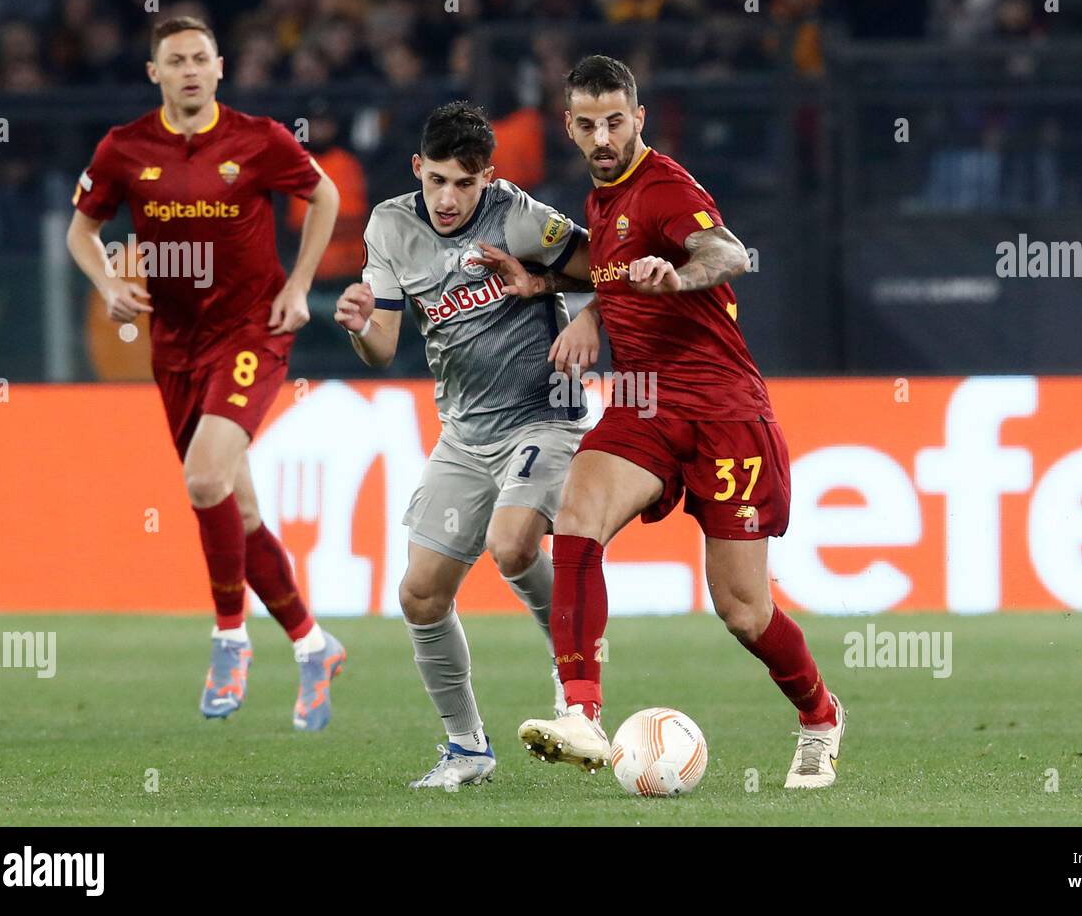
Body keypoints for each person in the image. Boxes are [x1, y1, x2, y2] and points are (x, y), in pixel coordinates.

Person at [482, 55, 845, 789]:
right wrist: (561, 292)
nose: (603, 135)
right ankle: (581, 711)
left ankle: (819, 716)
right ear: (570, 128)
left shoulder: (667, 188)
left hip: (724, 411)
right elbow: (608, 268)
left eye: (615, 120)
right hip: (644, 405)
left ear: (639, 118)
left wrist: (678, 274)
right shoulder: (600, 201)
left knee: (743, 612)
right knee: (577, 518)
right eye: (587, 124)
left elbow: (727, 251)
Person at [66, 16, 347, 731]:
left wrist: (298, 285)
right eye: (175, 60)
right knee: (236, 509)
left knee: (200, 478)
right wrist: (106, 284)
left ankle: (229, 636)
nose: (189, 69)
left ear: (220, 68)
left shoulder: (258, 139)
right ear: (154, 73)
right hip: (176, 345)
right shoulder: (125, 149)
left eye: (200, 58)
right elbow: (82, 230)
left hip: (253, 331)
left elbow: (324, 196)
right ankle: (314, 646)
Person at [334, 101, 601, 788]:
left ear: (488, 175)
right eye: (437, 181)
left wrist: (569, 305)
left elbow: (609, 266)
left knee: (513, 545)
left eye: (465, 183)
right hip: (466, 432)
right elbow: (383, 349)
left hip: (544, 412)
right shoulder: (391, 226)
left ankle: (572, 666)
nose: (448, 199)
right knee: (421, 594)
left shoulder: (518, 216)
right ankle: (466, 748)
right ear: (416, 168)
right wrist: (362, 326)